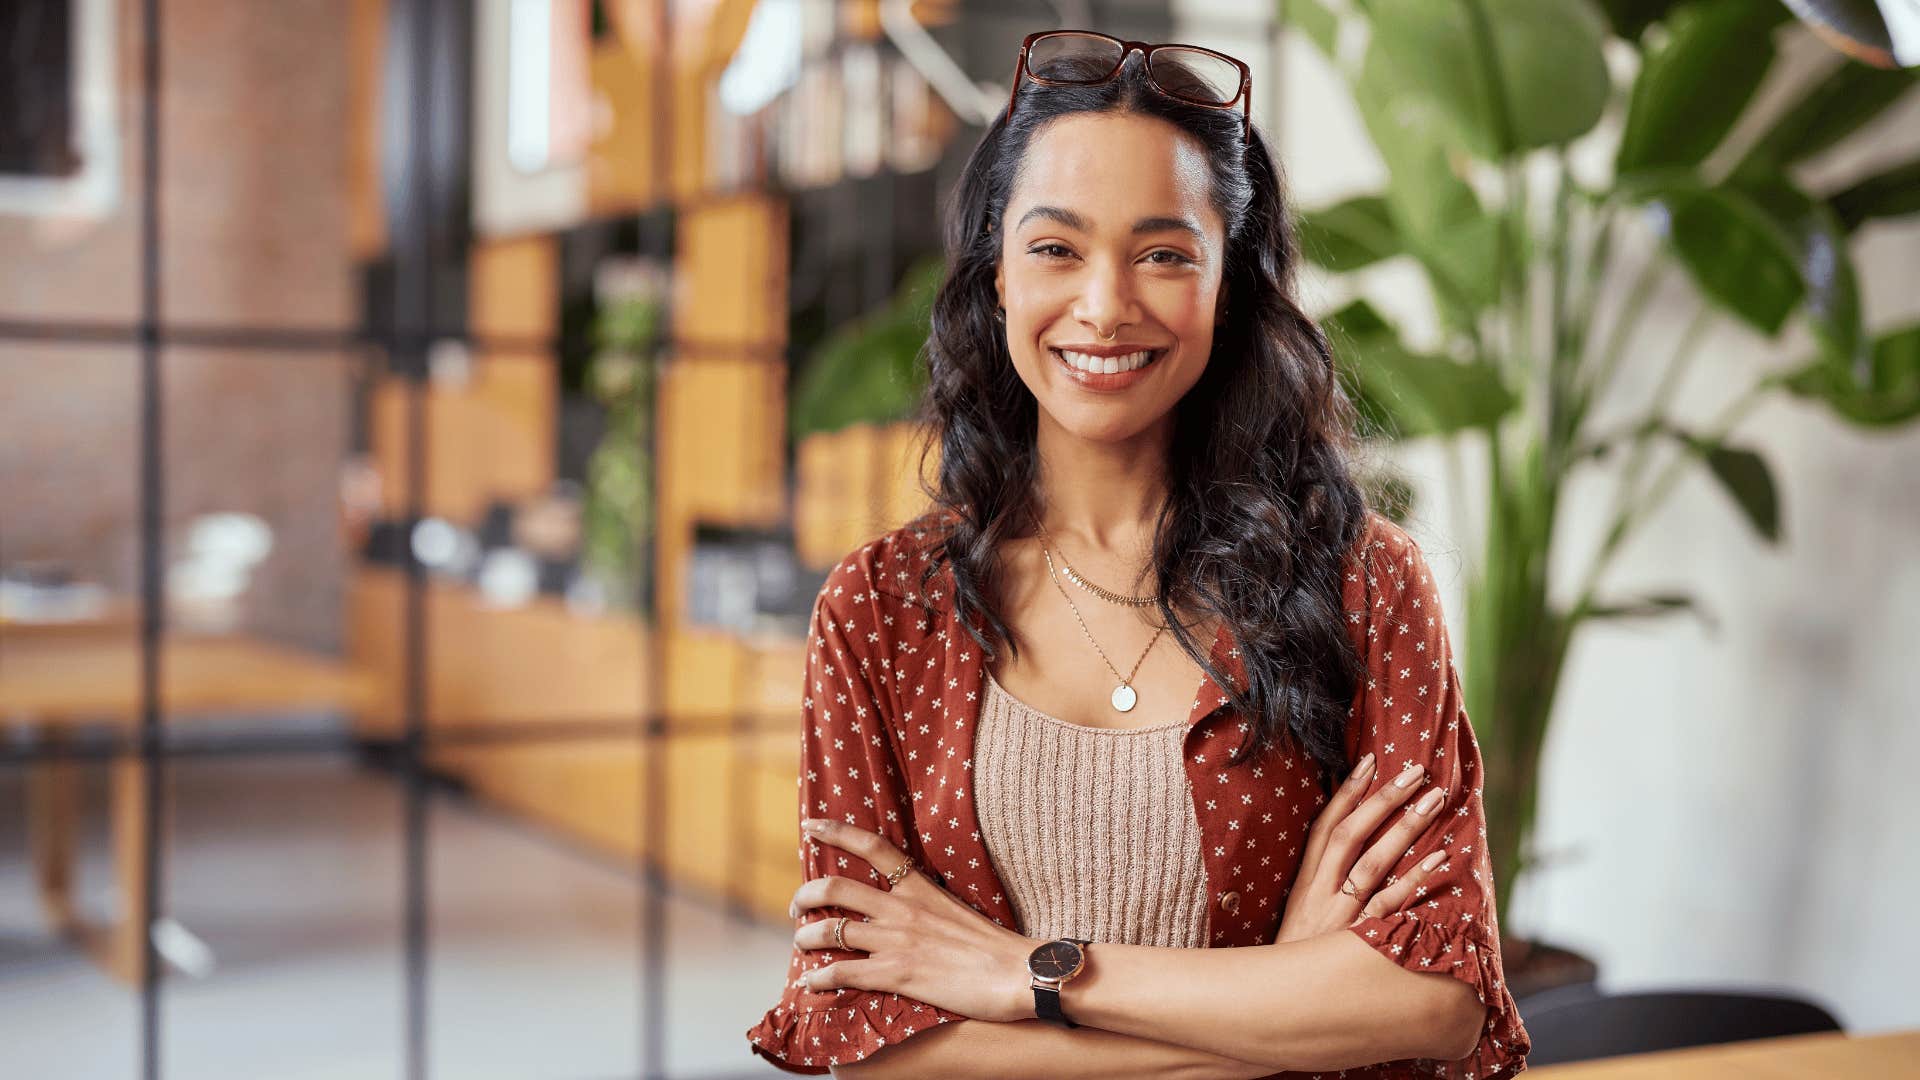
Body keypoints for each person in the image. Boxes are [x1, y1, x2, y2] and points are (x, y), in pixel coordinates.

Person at [746, 29, 1531, 1079]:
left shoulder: (1362, 583)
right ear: (994, 283)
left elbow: (1435, 999)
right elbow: (863, 1037)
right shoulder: (882, 609)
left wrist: (1028, 974)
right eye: (1055, 248)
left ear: (1230, 288)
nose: (1106, 304)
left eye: (1164, 253)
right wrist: (1278, 1019)